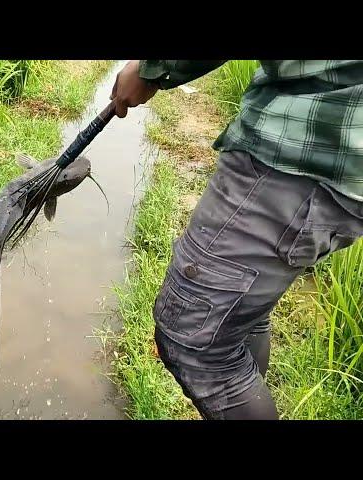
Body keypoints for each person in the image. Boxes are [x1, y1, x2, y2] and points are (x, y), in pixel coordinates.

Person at [110, 60, 363, 420]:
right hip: (341, 161)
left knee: (195, 341)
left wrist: (150, 68)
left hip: (300, 152)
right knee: (240, 320)